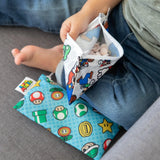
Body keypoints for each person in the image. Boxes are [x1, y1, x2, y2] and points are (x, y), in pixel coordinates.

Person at [10, 0, 160, 130]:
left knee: (128, 110)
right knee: (47, 9)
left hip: (151, 64)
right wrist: (88, 12)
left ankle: (61, 63)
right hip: (115, 12)